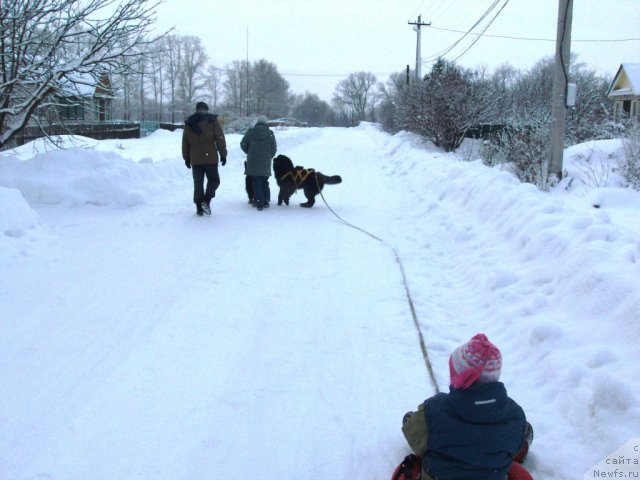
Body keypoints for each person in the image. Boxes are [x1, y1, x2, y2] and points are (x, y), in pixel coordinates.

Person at [401, 333, 534, 480]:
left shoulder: (435, 410)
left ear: (458, 376)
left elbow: (413, 439)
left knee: (416, 451)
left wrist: (411, 422)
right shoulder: (513, 415)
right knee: (511, 453)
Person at [182, 101, 227, 216]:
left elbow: (185, 142)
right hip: (210, 157)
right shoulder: (212, 121)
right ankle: (206, 201)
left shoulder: (189, 122)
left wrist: (186, 158)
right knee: (214, 180)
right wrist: (223, 154)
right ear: (206, 110)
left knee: (198, 183)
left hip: (195, 158)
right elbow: (219, 138)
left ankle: (199, 207)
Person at [240, 116, 276, 211]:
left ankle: (259, 202)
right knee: (265, 181)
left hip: (253, 161)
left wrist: (250, 152)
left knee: (256, 182)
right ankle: (266, 200)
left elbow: (243, 144)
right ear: (266, 123)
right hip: (265, 162)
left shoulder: (250, 132)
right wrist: (269, 156)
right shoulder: (270, 134)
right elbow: (274, 149)